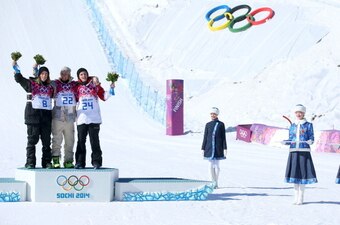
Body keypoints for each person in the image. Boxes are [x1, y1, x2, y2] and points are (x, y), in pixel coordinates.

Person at [13, 61, 54, 169]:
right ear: (39, 75)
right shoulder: (31, 84)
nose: (44, 76)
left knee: (46, 142)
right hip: (33, 117)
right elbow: (19, 79)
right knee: (32, 141)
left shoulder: (50, 87)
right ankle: (30, 162)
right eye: (42, 74)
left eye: (46, 74)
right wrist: (16, 69)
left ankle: (47, 162)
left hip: (46, 118)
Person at [74, 68, 114, 169]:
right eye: (81, 74)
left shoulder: (94, 85)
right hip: (82, 118)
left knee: (94, 141)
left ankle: (97, 162)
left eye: (85, 74)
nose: (83, 76)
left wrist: (111, 89)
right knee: (81, 141)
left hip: (94, 118)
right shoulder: (76, 87)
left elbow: (104, 96)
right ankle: (79, 162)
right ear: (78, 76)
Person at [282, 104, 317, 205]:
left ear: (304, 113)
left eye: (301, 112)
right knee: (294, 174)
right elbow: (291, 138)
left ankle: (301, 197)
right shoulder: (293, 125)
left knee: (302, 174)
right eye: (297, 112)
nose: (299, 114)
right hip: (293, 151)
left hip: (304, 151)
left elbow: (311, 137)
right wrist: (286, 142)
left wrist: (310, 141)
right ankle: (295, 197)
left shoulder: (308, 125)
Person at [50, 67, 78, 168]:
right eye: (62, 73)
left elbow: (85, 81)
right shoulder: (55, 83)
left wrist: (94, 78)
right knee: (56, 139)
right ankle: (56, 160)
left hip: (70, 118)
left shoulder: (74, 84)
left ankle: (68, 161)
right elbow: (42, 80)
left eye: (66, 73)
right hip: (58, 117)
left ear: (69, 74)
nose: (64, 75)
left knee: (70, 140)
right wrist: (36, 69)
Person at [201, 107, 227, 188]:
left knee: (217, 167)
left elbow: (223, 137)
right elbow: (205, 137)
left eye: (214, 114)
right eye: (211, 114)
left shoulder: (221, 124)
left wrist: (225, 148)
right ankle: (213, 183)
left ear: (217, 114)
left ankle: (216, 182)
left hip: (218, 148)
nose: (213, 115)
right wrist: (203, 148)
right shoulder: (208, 124)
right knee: (210, 166)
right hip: (209, 148)